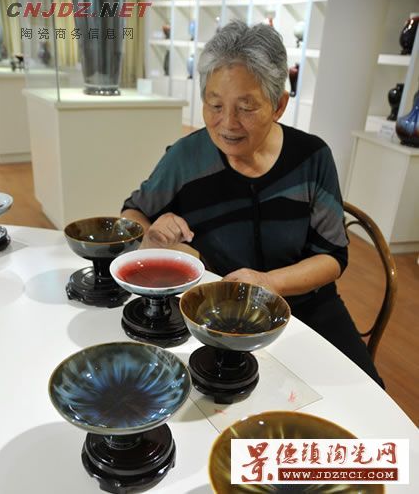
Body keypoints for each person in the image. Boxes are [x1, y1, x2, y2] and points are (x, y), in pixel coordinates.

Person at [121, 20, 384, 387]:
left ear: (279, 105)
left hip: (307, 307)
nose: (227, 123)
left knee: (361, 396)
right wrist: (152, 235)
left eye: (246, 107)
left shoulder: (311, 157)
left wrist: (269, 282)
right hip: (219, 311)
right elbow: (132, 213)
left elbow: (332, 256)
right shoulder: (186, 157)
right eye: (214, 104)